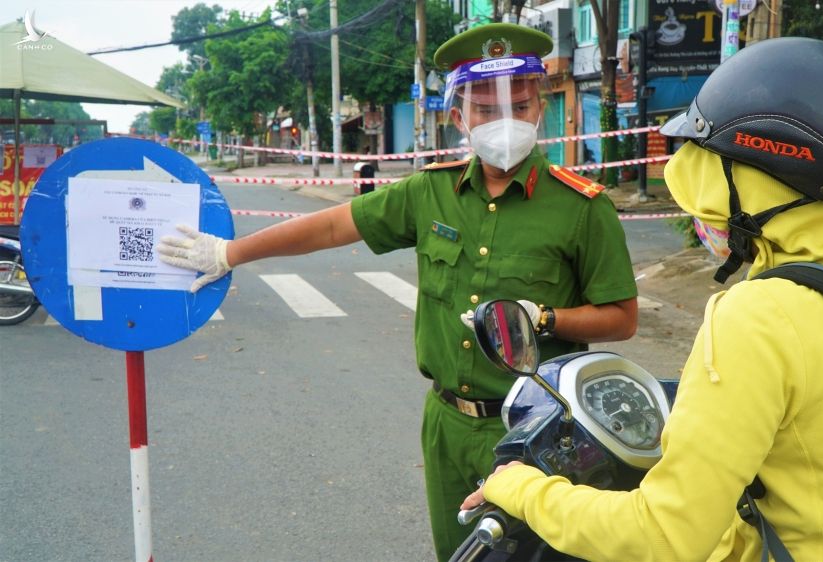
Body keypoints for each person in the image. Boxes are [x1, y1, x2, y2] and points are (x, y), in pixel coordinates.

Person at [156, 22, 638, 561]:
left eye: (520, 106)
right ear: (458, 117)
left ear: (540, 108)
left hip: (538, 429)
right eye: (484, 110)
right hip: (447, 423)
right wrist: (229, 252)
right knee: (456, 555)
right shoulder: (431, 191)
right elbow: (333, 226)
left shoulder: (582, 208)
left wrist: (545, 319)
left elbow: (621, 317)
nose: (504, 120)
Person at [461, 37, 823, 561]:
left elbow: (663, 536)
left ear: (760, 180)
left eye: (713, 164)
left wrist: (522, 490)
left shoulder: (759, 319)